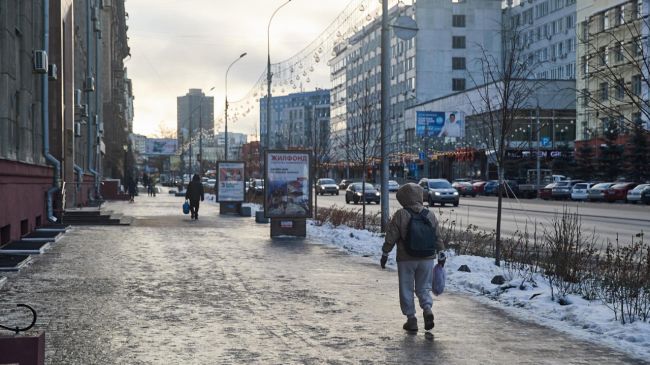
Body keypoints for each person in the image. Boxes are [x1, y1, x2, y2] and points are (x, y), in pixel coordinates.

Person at [380, 183, 445, 332]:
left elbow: (391, 237)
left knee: (406, 288)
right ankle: (427, 309)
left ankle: (411, 319)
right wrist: (441, 253)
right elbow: (437, 237)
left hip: (406, 258)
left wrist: (385, 253)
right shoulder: (429, 214)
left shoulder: (401, 214)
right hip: (427, 258)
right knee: (423, 288)